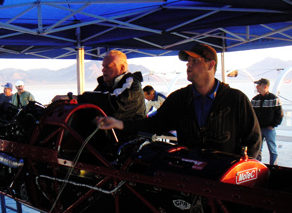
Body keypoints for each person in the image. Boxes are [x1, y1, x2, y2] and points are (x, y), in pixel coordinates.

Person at [97, 44, 261, 158]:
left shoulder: (236, 99)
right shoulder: (179, 98)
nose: (188, 65)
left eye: (194, 61)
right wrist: (119, 123)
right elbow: (154, 125)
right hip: (190, 174)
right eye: (188, 61)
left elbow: (253, 140)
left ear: (210, 65)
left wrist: (242, 172)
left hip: (224, 178)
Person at [53, 50, 146, 120]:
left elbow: (115, 104)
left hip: (127, 137)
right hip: (105, 131)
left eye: (108, 66)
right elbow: (94, 99)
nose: (103, 70)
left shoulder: (132, 84)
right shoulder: (106, 84)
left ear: (122, 68)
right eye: (103, 66)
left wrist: (78, 98)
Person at [251, 78, 283, 165]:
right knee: (257, 149)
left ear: (265, 87)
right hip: (258, 129)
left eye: (259, 85)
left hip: (269, 129)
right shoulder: (254, 100)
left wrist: (273, 125)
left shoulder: (274, 99)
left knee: (272, 149)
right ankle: (258, 165)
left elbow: (279, 114)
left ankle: (273, 166)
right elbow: (251, 114)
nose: (257, 87)